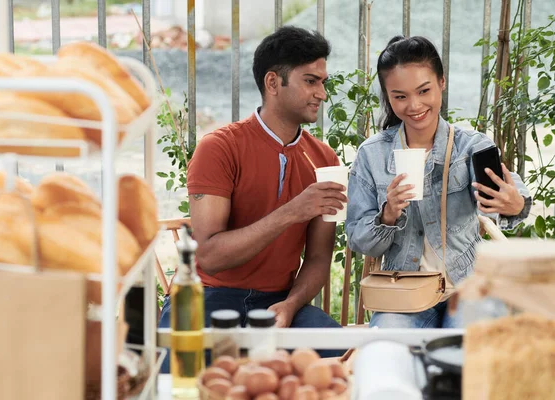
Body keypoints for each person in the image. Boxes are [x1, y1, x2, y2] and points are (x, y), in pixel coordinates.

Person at [158, 26, 347, 365]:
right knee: (175, 379)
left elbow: (318, 259)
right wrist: (292, 211)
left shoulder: (325, 160)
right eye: (310, 81)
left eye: (322, 82)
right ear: (273, 83)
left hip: (278, 303)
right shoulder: (219, 148)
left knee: (348, 360)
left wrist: (290, 305)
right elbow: (211, 256)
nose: (322, 93)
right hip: (208, 296)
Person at [345, 36, 531, 329]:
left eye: (424, 90)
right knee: (388, 349)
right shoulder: (372, 154)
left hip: (469, 287)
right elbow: (358, 240)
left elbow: (515, 196)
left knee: (470, 351)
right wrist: (388, 215)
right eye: (400, 96)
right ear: (388, 96)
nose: (414, 105)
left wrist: (514, 204)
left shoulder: (471, 146)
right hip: (403, 290)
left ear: (441, 83)